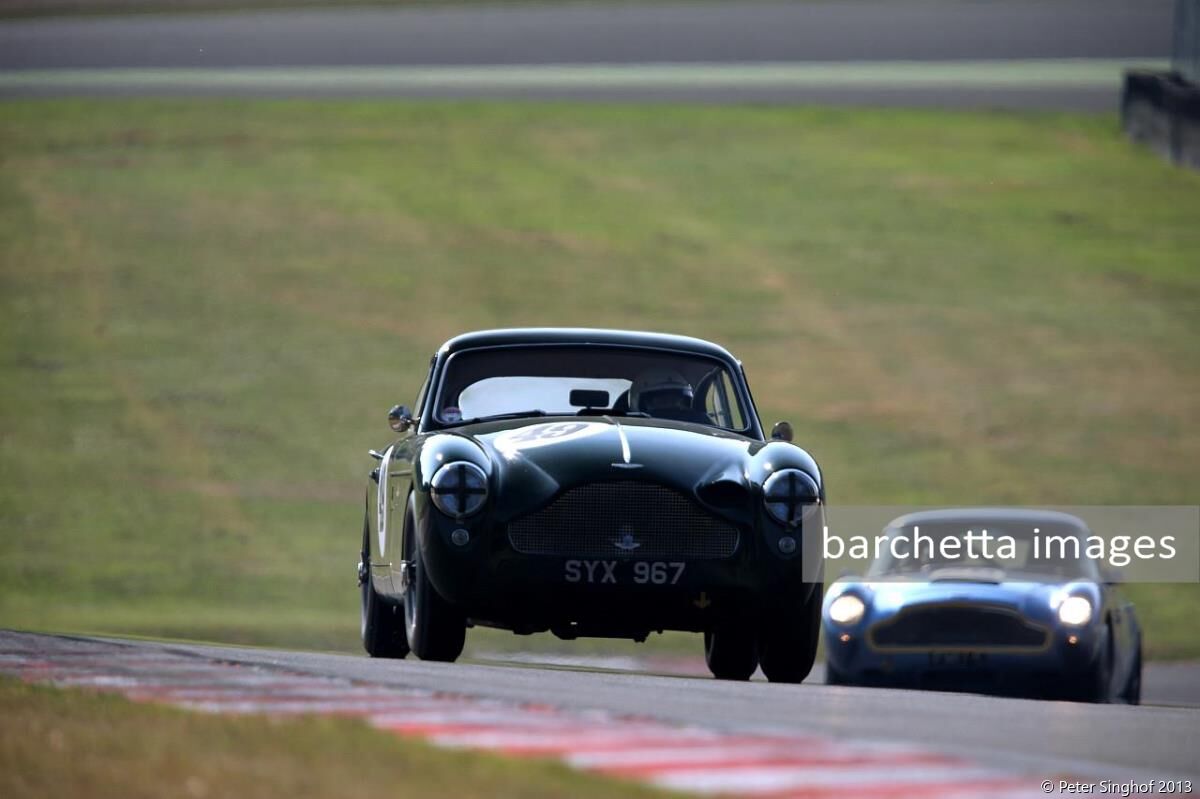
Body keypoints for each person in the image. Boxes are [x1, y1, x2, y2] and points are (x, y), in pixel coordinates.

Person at [628, 368, 708, 424]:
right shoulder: (631, 432)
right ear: (643, 403)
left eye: (675, 400)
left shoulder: (700, 422)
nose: (670, 407)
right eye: (662, 401)